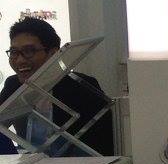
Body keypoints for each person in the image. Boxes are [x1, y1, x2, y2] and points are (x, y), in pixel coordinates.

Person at [0, 18, 114, 156]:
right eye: (14, 52)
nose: (19, 60)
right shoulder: (13, 85)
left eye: (29, 51)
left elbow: (103, 143)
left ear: (53, 54)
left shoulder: (80, 87)